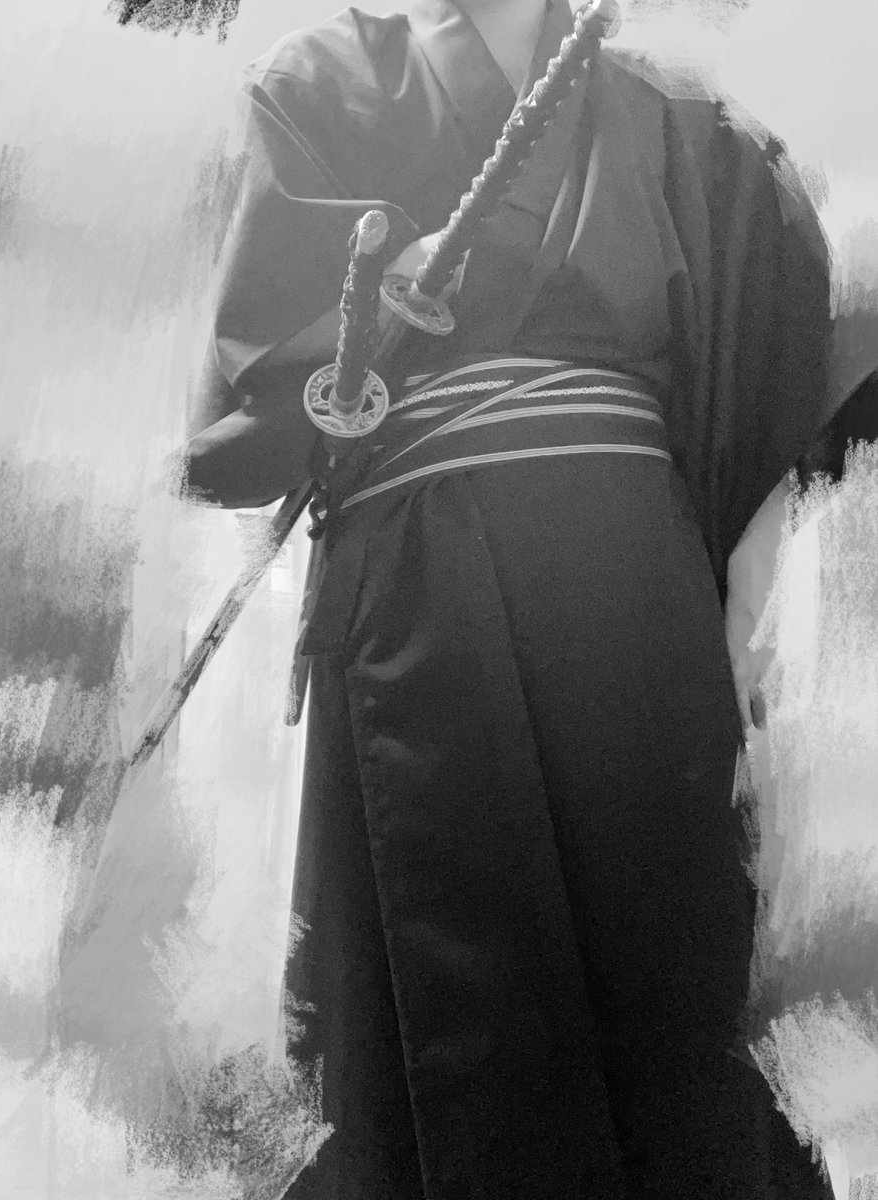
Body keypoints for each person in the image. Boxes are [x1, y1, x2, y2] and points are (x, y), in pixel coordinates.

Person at [180, 0, 835, 1195]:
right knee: (459, 1010)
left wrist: (747, 584)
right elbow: (253, 399)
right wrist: (382, 284)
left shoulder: (676, 116)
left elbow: (783, 357)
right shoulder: (321, 83)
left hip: (634, 605)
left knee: (677, 994)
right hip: (423, 597)